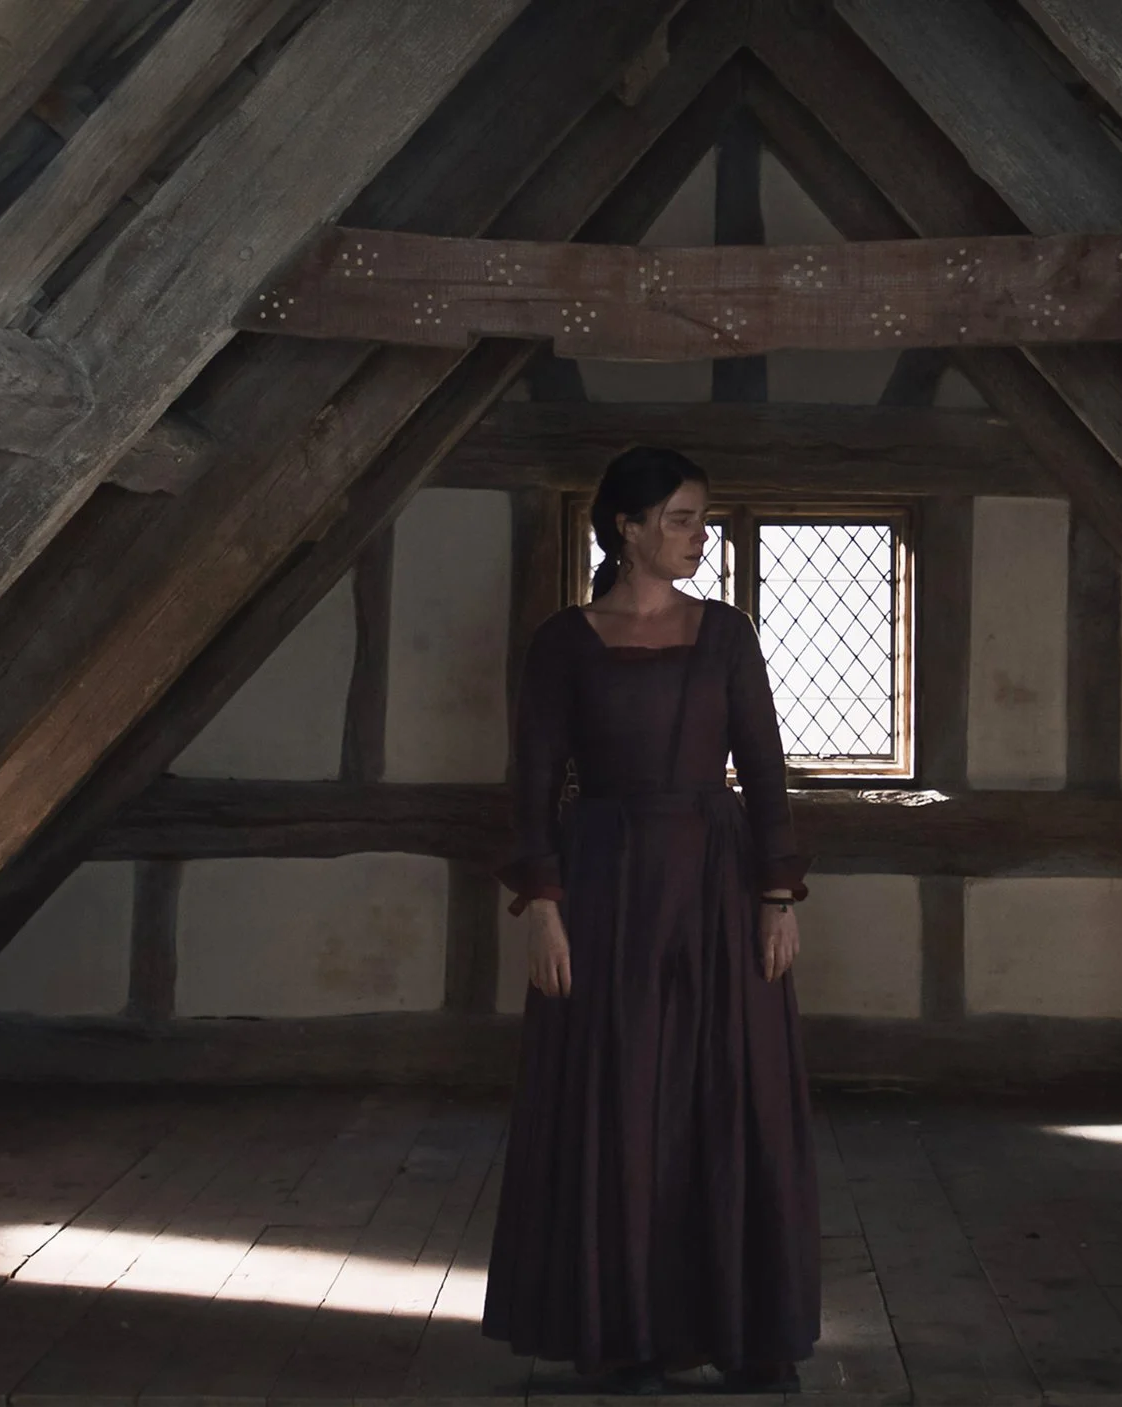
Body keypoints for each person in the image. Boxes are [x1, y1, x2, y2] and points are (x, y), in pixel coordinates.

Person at [481, 447, 820, 1393]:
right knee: (618, 1100)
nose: (697, 534)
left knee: (729, 1093)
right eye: (678, 518)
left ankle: (747, 1333)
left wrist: (776, 893)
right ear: (625, 527)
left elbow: (763, 767)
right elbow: (534, 784)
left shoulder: (726, 634)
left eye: (700, 518)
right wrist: (543, 907)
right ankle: (619, 1330)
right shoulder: (563, 642)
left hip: (715, 882)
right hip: (602, 884)